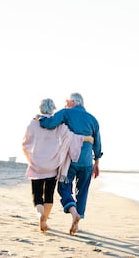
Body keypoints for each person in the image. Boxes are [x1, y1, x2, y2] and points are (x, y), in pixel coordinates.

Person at [22, 98, 93, 232]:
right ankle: (46, 220)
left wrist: (30, 157)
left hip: (36, 165)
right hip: (52, 166)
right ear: (53, 108)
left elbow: (25, 143)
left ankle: (40, 216)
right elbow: (72, 137)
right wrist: (87, 138)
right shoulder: (59, 125)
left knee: (37, 195)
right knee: (48, 195)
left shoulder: (33, 123)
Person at [38, 92, 102, 235]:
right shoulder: (93, 119)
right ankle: (78, 219)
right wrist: (96, 162)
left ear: (73, 101)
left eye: (67, 101)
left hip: (70, 160)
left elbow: (50, 123)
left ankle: (73, 213)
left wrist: (40, 118)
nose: (65, 103)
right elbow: (97, 143)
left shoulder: (66, 112)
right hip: (87, 161)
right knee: (83, 190)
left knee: (63, 187)